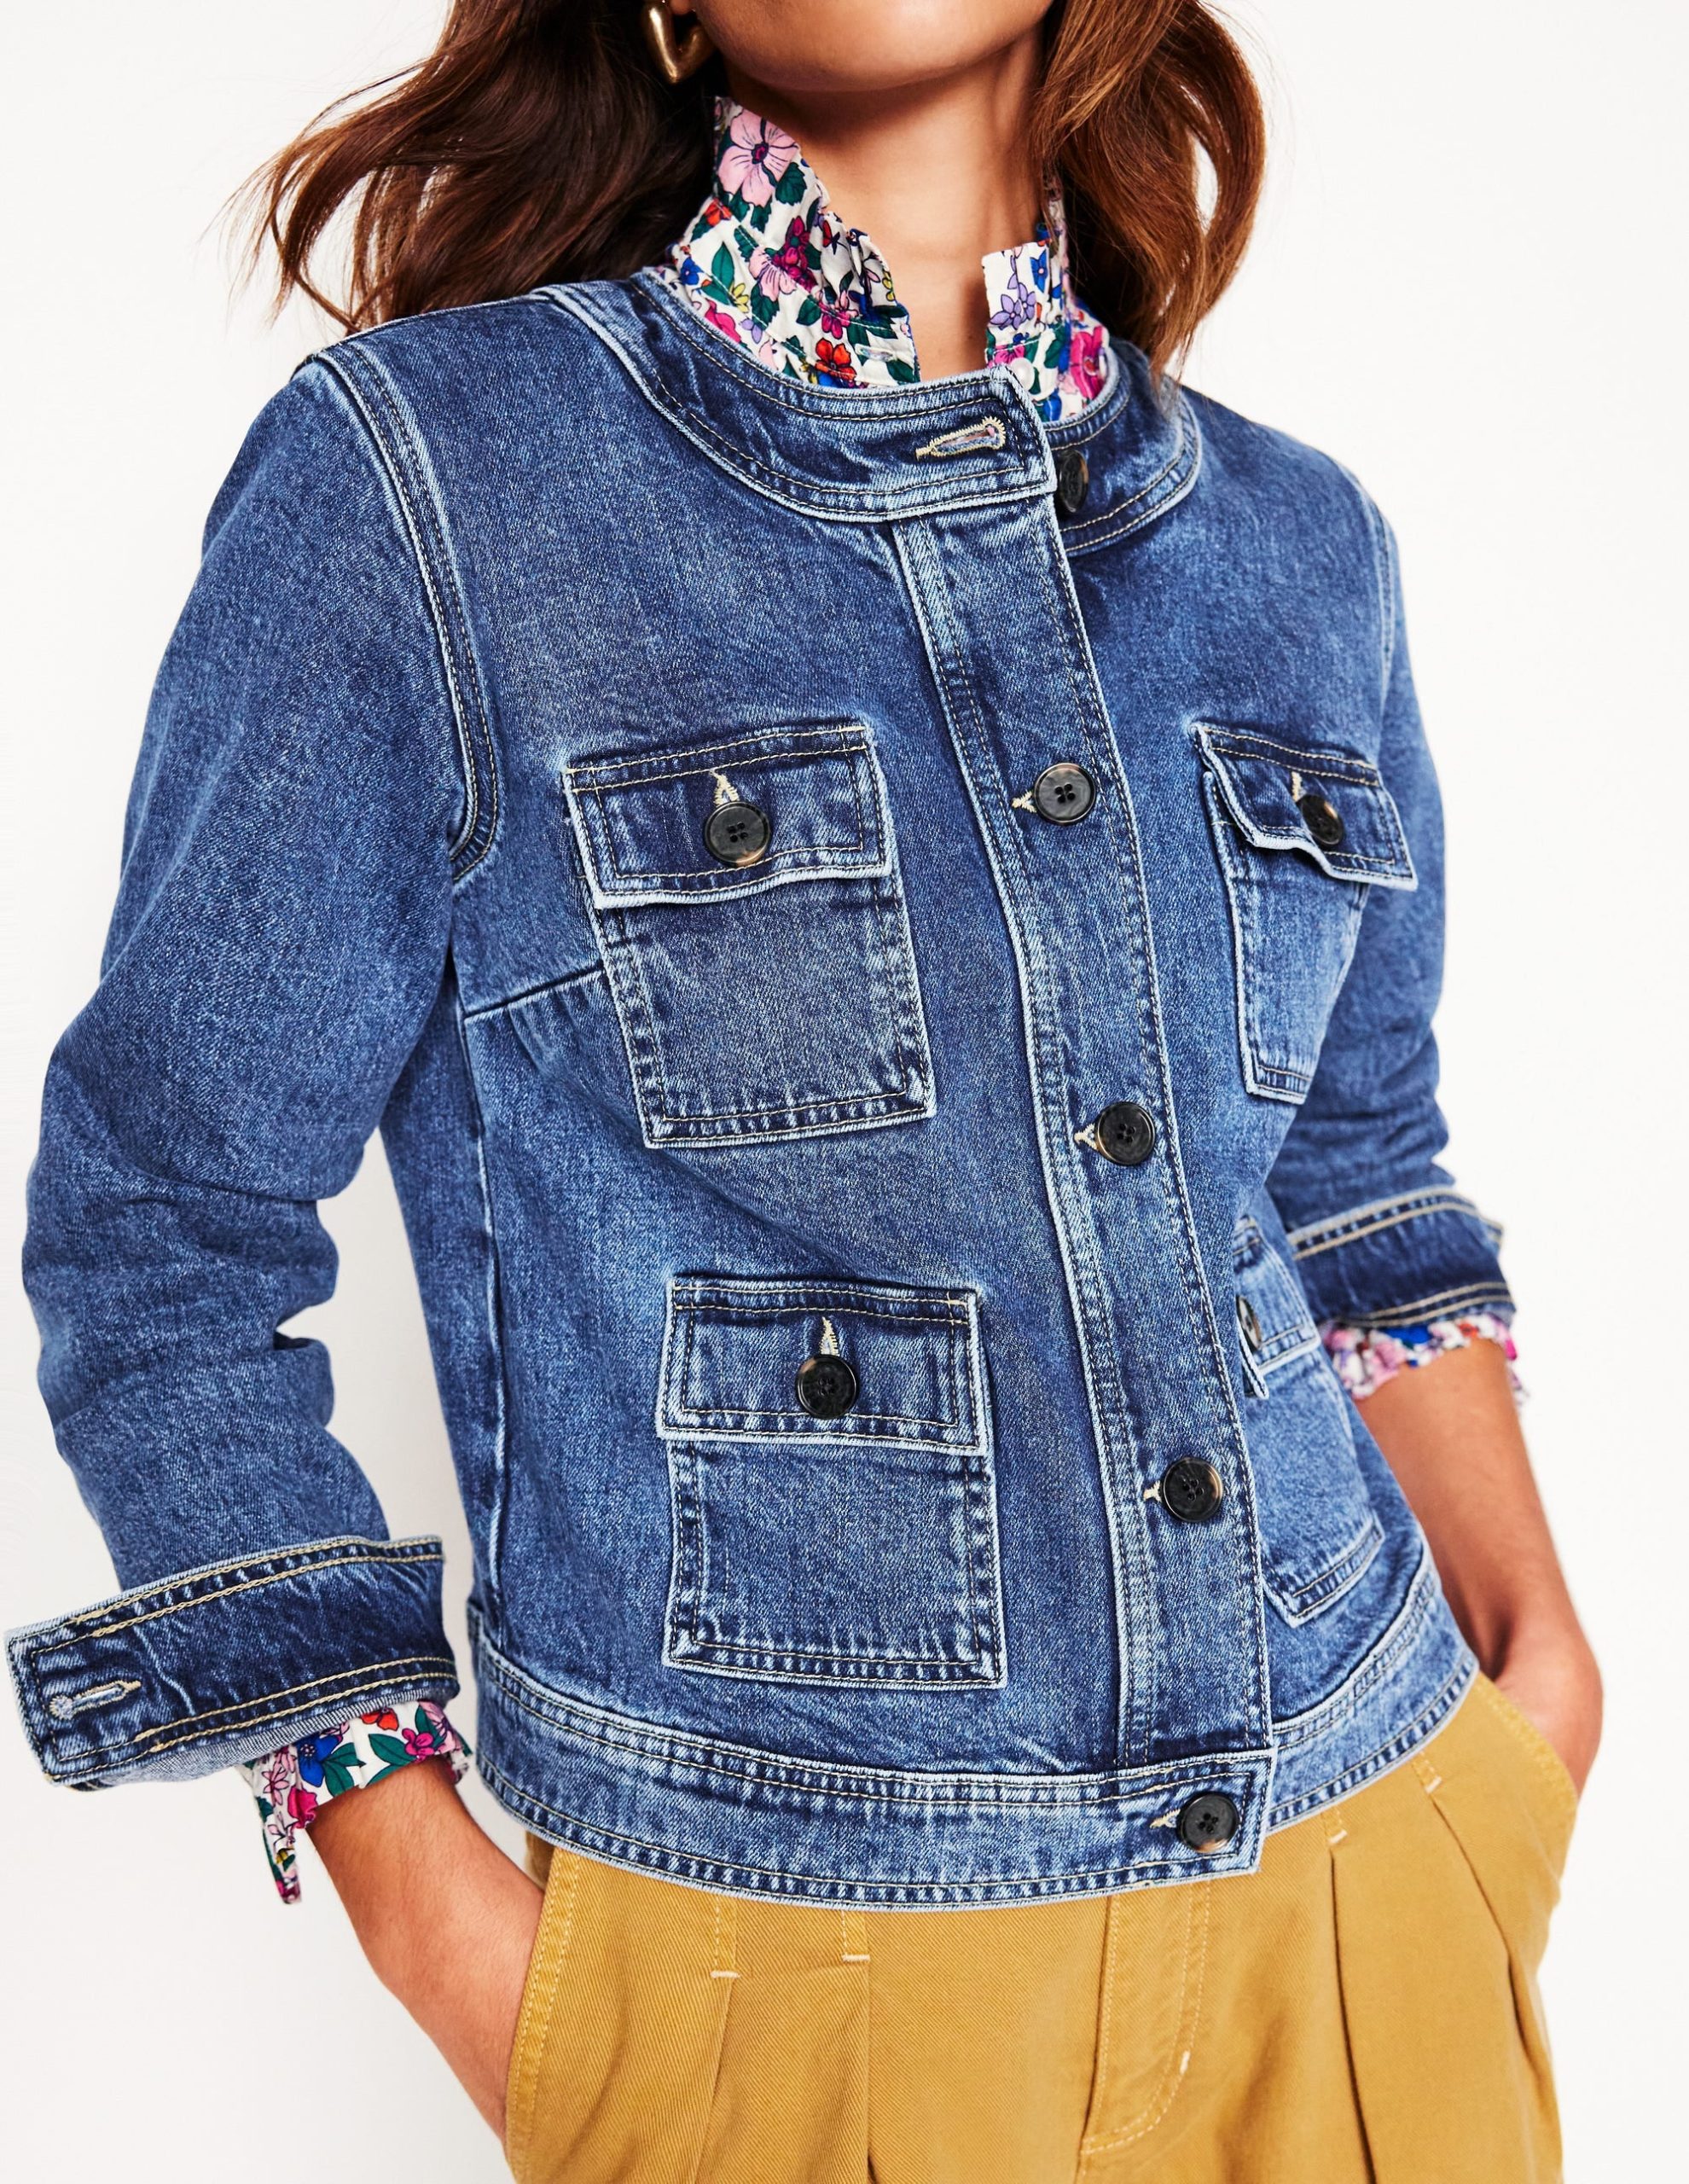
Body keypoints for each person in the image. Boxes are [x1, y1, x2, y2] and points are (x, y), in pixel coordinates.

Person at [7, 3, 1601, 2178]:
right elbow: (159, 1230)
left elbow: (1351, 1164)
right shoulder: (428, 489)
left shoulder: (1301, 546)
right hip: (793, 1972)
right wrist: (449, 1919)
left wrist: (1538, 1669)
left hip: (1372, 1878)